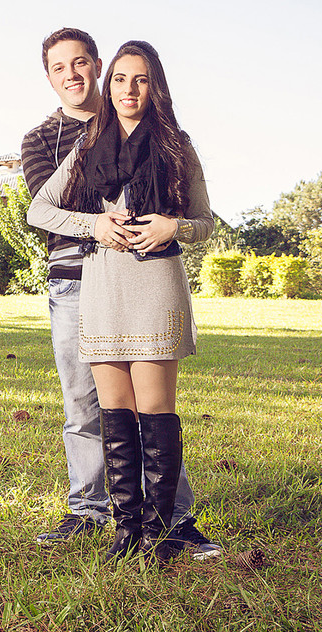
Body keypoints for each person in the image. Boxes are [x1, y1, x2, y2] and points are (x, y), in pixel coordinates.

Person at [21, 31, 219, 561]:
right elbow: (41, 209)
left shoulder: (176, 144)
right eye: (122, 81)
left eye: (141, 79)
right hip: (92, 281)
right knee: (99, 409)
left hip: (154, 281)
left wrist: (172, 225)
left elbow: (206, 221)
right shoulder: (76, 144)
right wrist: (95, 225)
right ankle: (118, 527)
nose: (129, 89)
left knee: (155, 412)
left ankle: (166, 528)